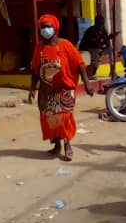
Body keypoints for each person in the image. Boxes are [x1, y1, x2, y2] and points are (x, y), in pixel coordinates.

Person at [28, 14, 94, 161]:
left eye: (48, 27)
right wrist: (32, 88)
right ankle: (56, 145)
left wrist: (87, 83)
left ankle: (67, 144)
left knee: (64, 117)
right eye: (43, 27)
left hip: (65, 88)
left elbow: (79, 64)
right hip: (47, 90)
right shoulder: (40, 47)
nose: (45, 30)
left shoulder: (65, 44)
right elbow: (35, 69)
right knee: (50, 117)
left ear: (55, 28)